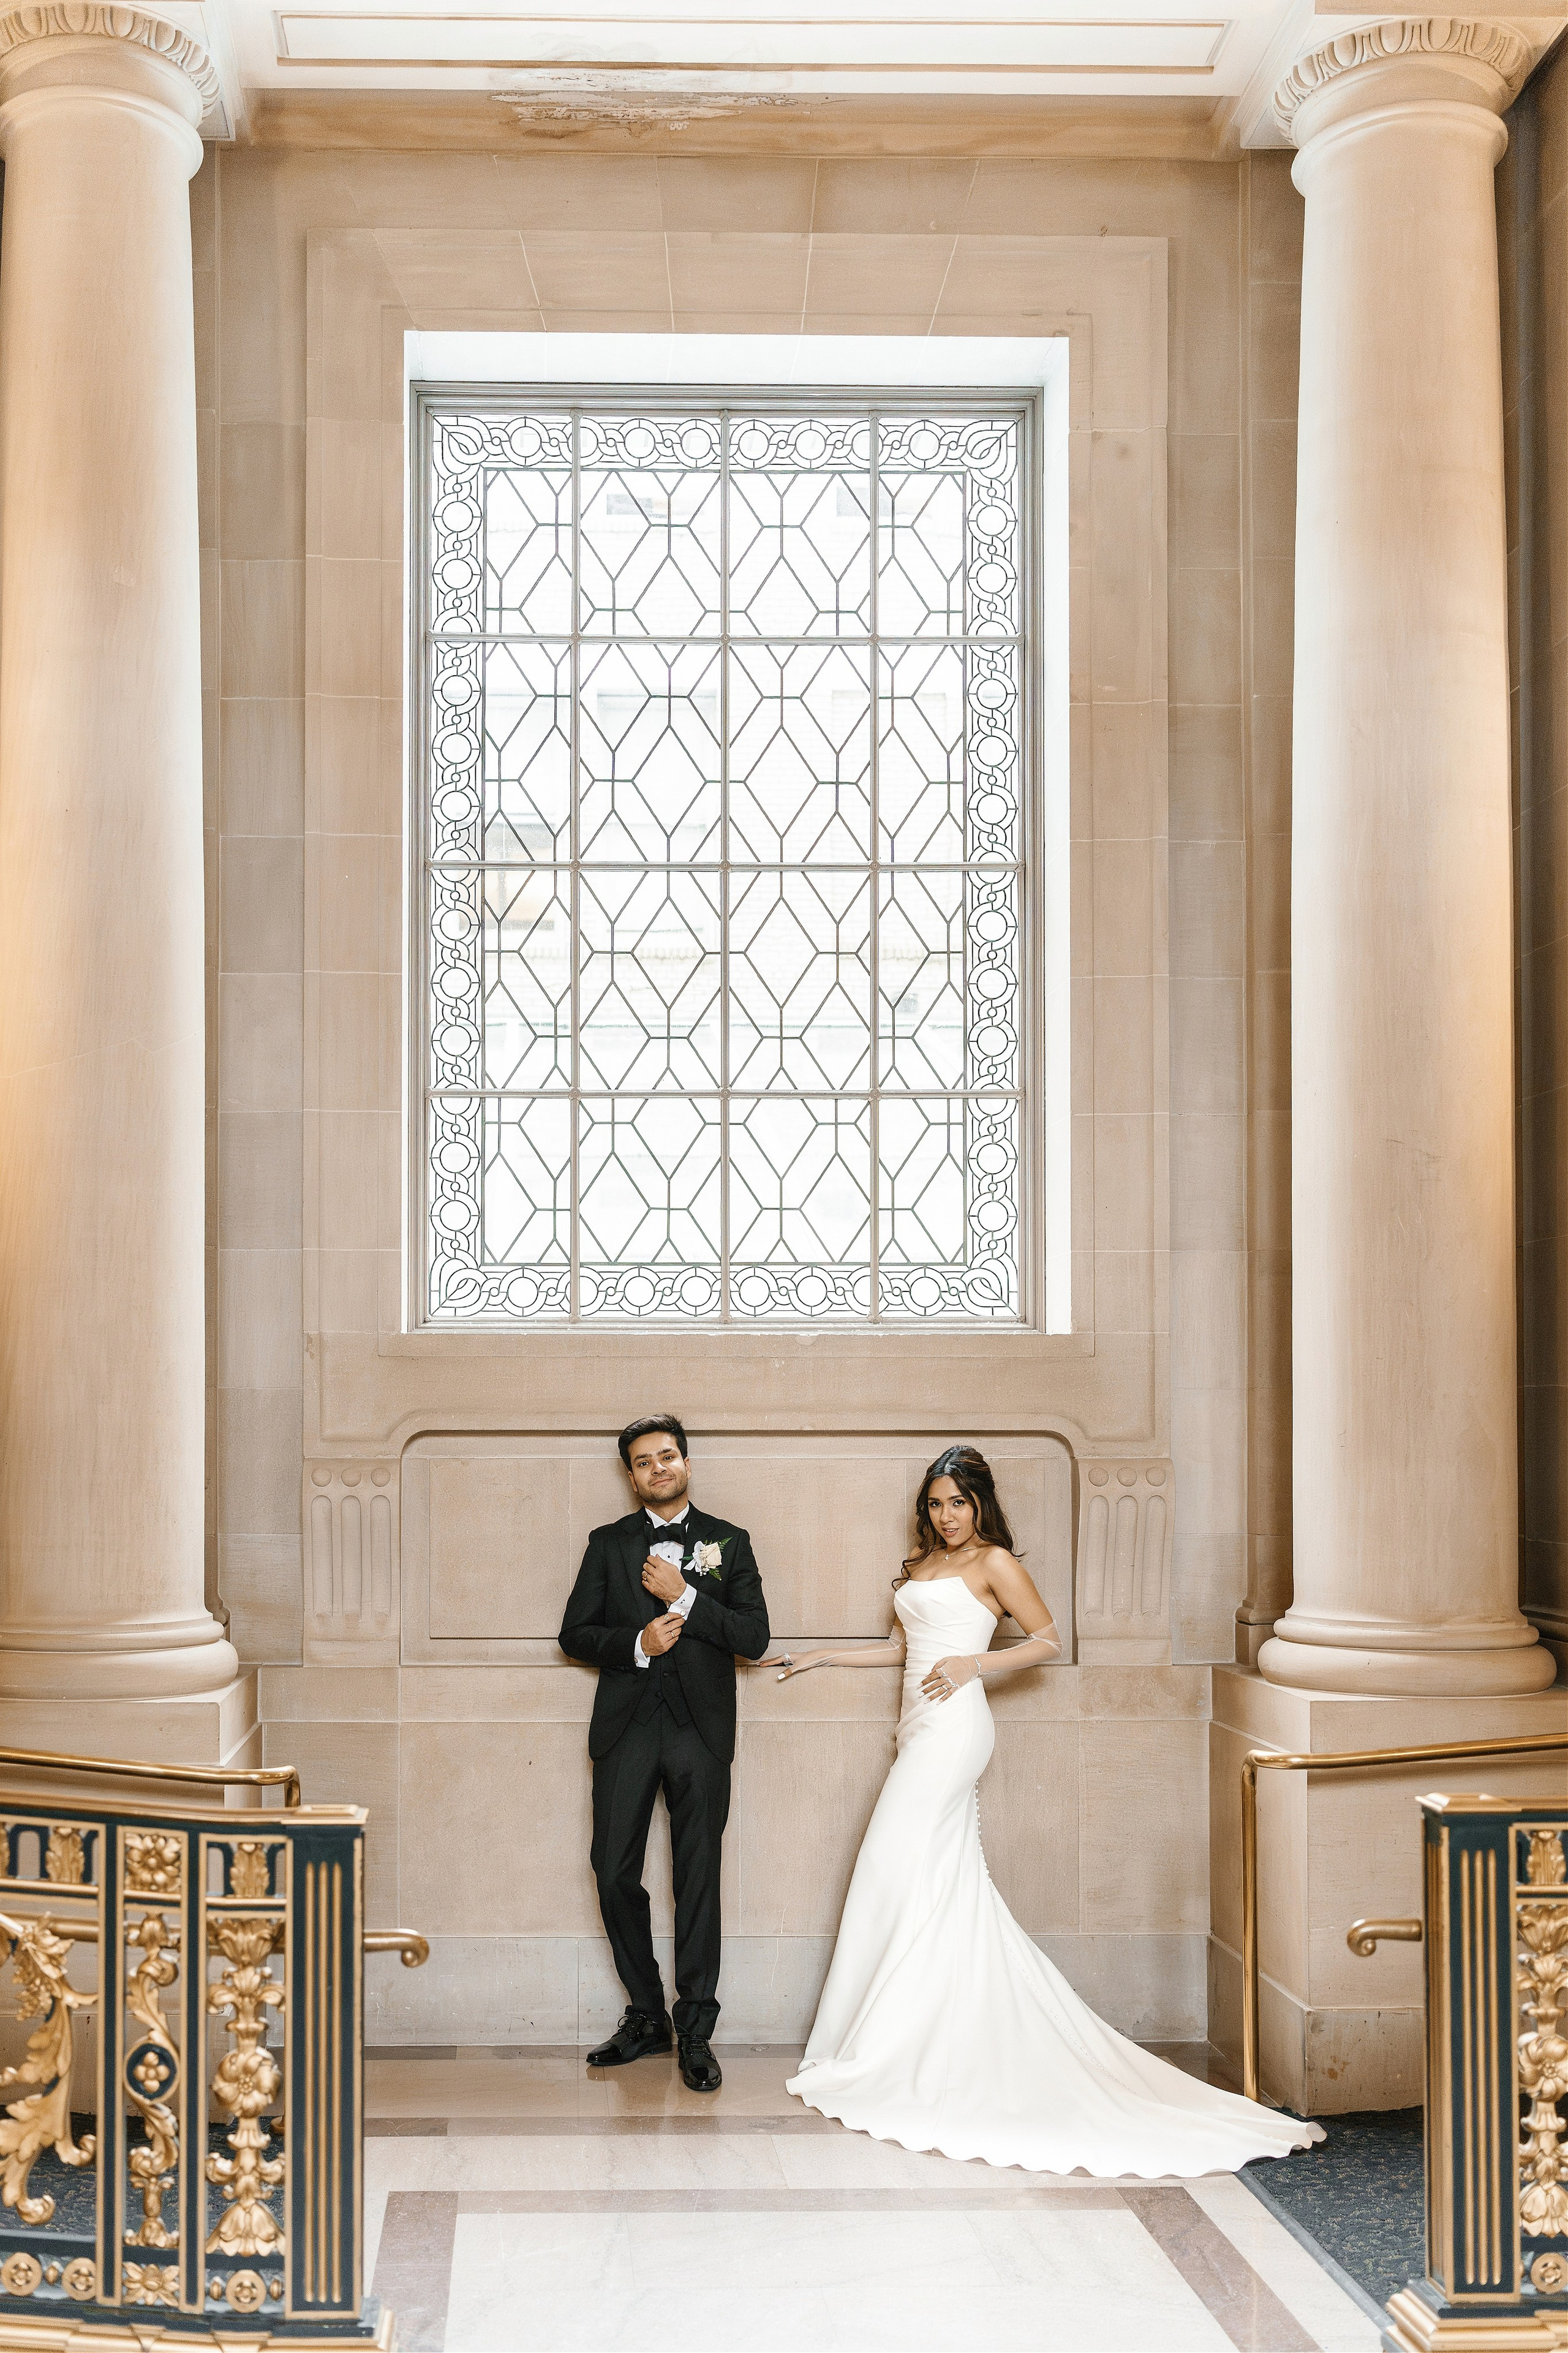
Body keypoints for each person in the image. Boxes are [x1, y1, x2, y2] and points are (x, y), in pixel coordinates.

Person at [764, 1443, 1324, 2175]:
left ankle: (901, 2038)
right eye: (935, 1503)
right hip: (917, 1727)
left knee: (894, 1863)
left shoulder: (995, 1562)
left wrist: (974, 1664)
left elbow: (1047, 1641)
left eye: (957, 1503)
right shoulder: (920, 1563)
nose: (946, 1516)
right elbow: (900, 1647)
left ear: (979, 1503)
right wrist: (823, 1657)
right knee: (916, 1876)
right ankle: (906, 2030)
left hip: (958, 1727)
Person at [559, 1414, 769, 2093]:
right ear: (631, 1474)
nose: (658, 1468)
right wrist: (636, 1645)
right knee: (612, 1868)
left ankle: (697, 2028)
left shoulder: (728, 1542)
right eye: (644, 1461)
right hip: (627, 1727)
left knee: (698, 1877)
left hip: (700, 1732)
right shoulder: (606, 1544)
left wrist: (686, 1596)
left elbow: (754, 1637)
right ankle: (648, 2015)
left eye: (668, 1456)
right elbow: (574, 1633)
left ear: (686, 1461)